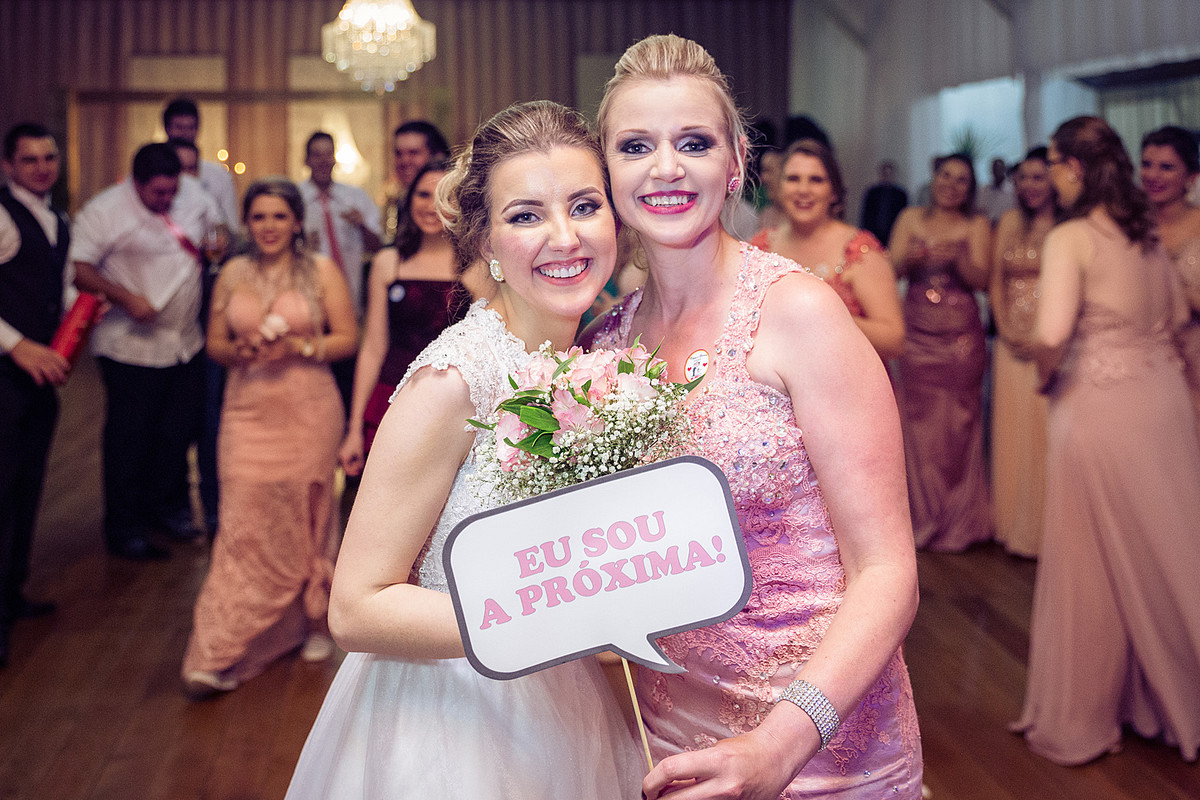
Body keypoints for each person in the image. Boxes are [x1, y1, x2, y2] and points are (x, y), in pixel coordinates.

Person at [586, 34, 922, 799]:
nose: (666, 168)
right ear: (606, 171)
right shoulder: (600, 348)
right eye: (636, 146)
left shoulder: (801, 313)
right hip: (665, 742)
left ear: (736, 162)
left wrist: (778, 746)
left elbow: (889, 574)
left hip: (820, 751)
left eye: (693, 143)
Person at [284, 101, 642, 799]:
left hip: (559, 696)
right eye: (526, 215)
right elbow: (355, 608)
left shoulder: (592, 358)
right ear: (485, 243)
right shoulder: (453, 381)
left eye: (584, 206)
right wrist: (557, 615)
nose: (565, 237)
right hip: (452, 718)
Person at [1014, 115, 1200, 765]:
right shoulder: (1143, 233)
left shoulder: (1071, 238)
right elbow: (1178, 318)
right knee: (1172, 548)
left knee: (1089, 561)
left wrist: (1044, 374)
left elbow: (1051, 333)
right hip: (1164, 402)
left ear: (1071, 168)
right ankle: (1153, 698)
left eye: (1054, 164)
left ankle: (1085, 712)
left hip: (1098, 405)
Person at [181, 177, 357, 698]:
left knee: (308, 514)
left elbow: (349, 338)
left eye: (279, 216)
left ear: (297, 221)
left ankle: (314, 620)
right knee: (242, 521)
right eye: (259, 217)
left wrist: (299, 346)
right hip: (246, 411)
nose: (269, 226)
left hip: (308, 409)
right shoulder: (232, 273)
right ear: (246, 222)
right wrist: (239, 351)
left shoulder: (321, 271)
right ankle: (216, 649)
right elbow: (213, 344)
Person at [72, 143, 223, 561]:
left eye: (172, 191)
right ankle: (125, 527)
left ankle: (166, 511)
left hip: (185, 342)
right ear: (135, 183)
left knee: (176, 433)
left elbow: (217, 232)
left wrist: (220, 242)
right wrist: (124, 297)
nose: (167, 199)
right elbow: (79, 268)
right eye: (158, 193)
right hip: (129, 346)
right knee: (130, 440)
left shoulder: (193, 195)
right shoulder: (104, 210)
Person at [888, 153, 993, 552]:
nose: (951, 184)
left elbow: (981, 279)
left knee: (957, 428)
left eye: (961, 179)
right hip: (916, 336)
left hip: (960, 340)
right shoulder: (910, 218)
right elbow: (891, 269)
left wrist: (958, 258)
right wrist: (912, 259)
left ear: (970, 188)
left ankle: (958, 521)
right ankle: (921, 517)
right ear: (934, 179)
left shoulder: (976, 224)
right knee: (917, 428)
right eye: (946, 176)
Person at [338, 159, 463, 476]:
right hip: (392, 394)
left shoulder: (475, 267)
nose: (431, 206)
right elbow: (373, 347)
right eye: (423, 195)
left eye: (443, 196)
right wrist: (354, 428)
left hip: (454, 404)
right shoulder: (388, 261)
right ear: (409, 200)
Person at [0, 123, 72, 666]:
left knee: (26, 488)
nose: (42, 168)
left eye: (49, 158)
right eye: (30, 160)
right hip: (6, 376)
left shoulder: (58, 219)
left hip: (40, 380)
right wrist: (17, 345)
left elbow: (53, 286)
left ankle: (12, 592)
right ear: (8, 166)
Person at [752, 138, 904, 360]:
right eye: (793, 179)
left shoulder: (860, 250)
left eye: (816, 180)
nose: (803, 190)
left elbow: (894, 342)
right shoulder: (760, 247)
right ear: (780, 187)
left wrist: (827, 317)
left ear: (833, 191)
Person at [989, 147, 1054, 558]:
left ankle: (1048, 528)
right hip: (1010, 342)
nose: (1029, 185)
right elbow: (995, 281)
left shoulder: (1068, 225)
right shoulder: (1010, 221)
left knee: (1044, 431)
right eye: (1023, 177)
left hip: (1052, 343)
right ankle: (1013, 521)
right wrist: (1005, 327)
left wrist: (1045, 336)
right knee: (1013, 431)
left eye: (1038, 177)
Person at [299, 131, 383, 412]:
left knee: (347, 380)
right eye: (317, 154)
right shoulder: (296, 199)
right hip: (307, 305)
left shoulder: (355, 197)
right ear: (306, 160)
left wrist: (361, 224)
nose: (323, 160)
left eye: (328, 154)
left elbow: (378, 246)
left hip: (351, 304)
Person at [1140, 125, 1200, 424]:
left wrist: (1179, 294)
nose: (1153, 175)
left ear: (1191, 177)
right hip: (1144, 353)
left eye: (1166, 167)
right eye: (1146, 164)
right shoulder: (1132, 226)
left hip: (1194, 351)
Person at [163, 97, 239, 230]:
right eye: (179, 127)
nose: (185, 134)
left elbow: (231, 226)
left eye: (190, 127)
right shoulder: (154, 175)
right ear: (167, 128)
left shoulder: (220, 176)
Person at [380, 120, 451, 243]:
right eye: (398, 153)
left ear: (438, 155)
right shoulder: (401, 199)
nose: (404, 161)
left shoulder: (457, 199)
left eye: (414, 153)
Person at [859, 159, 908, 245]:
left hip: (894, 232)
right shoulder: (872, 193)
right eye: (885, 174)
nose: (887, 177)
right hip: (874, 233)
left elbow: (903, 215)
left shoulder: (900, 194)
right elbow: (866, 215)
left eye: (889, 174)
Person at [977, 157, 1015, 223]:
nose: (996, 172)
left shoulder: (1012, 191)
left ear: (1004, 170)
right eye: (994, 169)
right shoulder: (985, 190)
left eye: (999, 169)